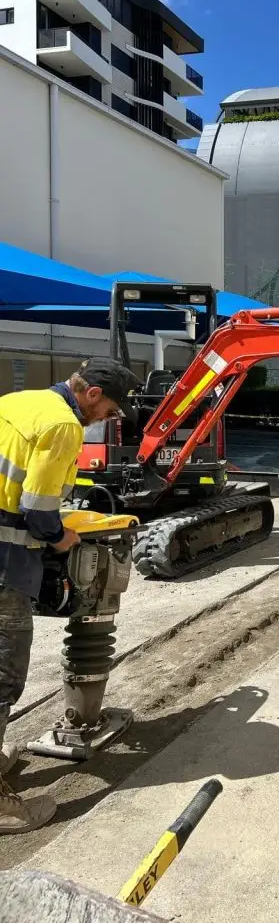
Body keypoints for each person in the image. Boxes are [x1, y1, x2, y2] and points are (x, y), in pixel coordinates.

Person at [0, 357, 139, 835]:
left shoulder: (20, 402)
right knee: (2, 671)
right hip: (4, 560)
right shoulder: (63, 424)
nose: (107, 420)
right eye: (109, 410)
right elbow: (39, 510)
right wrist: (62, 539)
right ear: (94, 393)